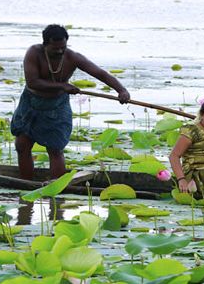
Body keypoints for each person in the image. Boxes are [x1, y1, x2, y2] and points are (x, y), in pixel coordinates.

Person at [11, 24, 130, 180]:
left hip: (57, 106)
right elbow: (33, 82)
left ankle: (58, 188)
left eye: (63, 47)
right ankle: (26, 183)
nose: (60, 51)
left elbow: (99, 73)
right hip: (31, 103)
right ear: (45, 44)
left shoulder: (72, 57)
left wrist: (121, 90)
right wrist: (62, 85)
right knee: (22, 144)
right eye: (55, 49)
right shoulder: (34, 53)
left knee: (55, 148)